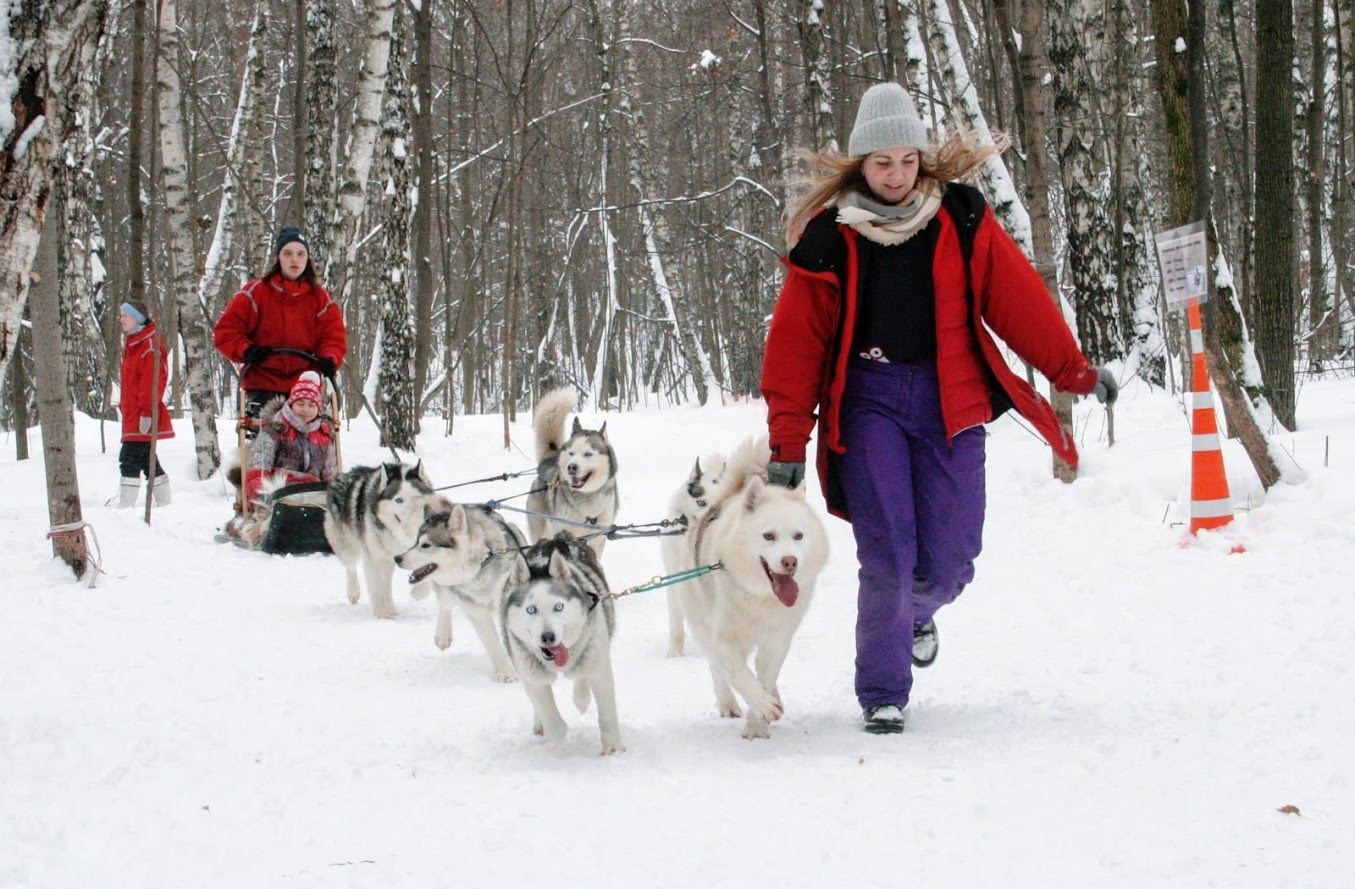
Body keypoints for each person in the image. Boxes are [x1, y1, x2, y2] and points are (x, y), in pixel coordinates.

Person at [760, 82, 1118, 735]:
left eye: (905, 161)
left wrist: (1073, 370)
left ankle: (915, 612)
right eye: (880, 162)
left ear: (919, 161)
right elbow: (794, 348)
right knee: (888, 554)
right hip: (868, 404)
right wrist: (786, 445)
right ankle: (883, 690)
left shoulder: (961, 217)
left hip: (949, 399)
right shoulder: (829, 237)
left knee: (952, 558)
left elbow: (1018, 302)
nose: (895, 176)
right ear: (860, 164)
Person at [214, 226, 347, 425]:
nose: (295, 260)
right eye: (288, 253)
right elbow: (227, 332)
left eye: (300, 254)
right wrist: (247, 350)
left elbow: (333, 337)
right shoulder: (255, 292)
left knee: (311, 437)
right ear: (278, 258)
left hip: (305, 384)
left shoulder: (320, 298)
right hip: (264, 381)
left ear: (307, 259)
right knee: (268, 438)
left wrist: (329, 358)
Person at [244, 371, 338, 504]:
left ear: (319, 409)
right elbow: (259, 467)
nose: (306, 410)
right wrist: (261, 499)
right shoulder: (274, 429)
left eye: (311, 405)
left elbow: (331, 476)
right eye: (300, 404)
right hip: (279, 493)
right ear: (291, 404)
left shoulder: (325, 437)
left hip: (314, 496)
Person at [117, 300, 175, 508]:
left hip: (142, 413)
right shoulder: (134, 343)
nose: (121, 319)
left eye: (126, 315)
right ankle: (164, 504)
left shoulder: (149, 345)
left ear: (137, 318)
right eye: (121, 315)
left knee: (129, 458)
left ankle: (125, 508)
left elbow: (152, 382)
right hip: (133, 412)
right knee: (146, 458)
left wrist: (147, 412)